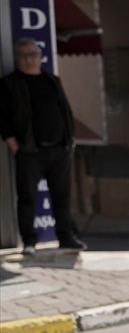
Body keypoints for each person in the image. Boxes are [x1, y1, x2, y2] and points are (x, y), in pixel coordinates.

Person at [1, 38, 85, 256]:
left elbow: (65, 110)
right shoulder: (10, 83)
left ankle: (66, 238)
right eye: (24, 56)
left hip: (58, 149)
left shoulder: (51, 80)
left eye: (33, 55)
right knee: (27, 196)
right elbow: (4, 117)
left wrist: (69, 140)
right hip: (29, 150)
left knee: (62, 196)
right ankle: (29, 241)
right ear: (18, 59)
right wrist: (12, 142)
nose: (29, 60)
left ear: (40, 57)